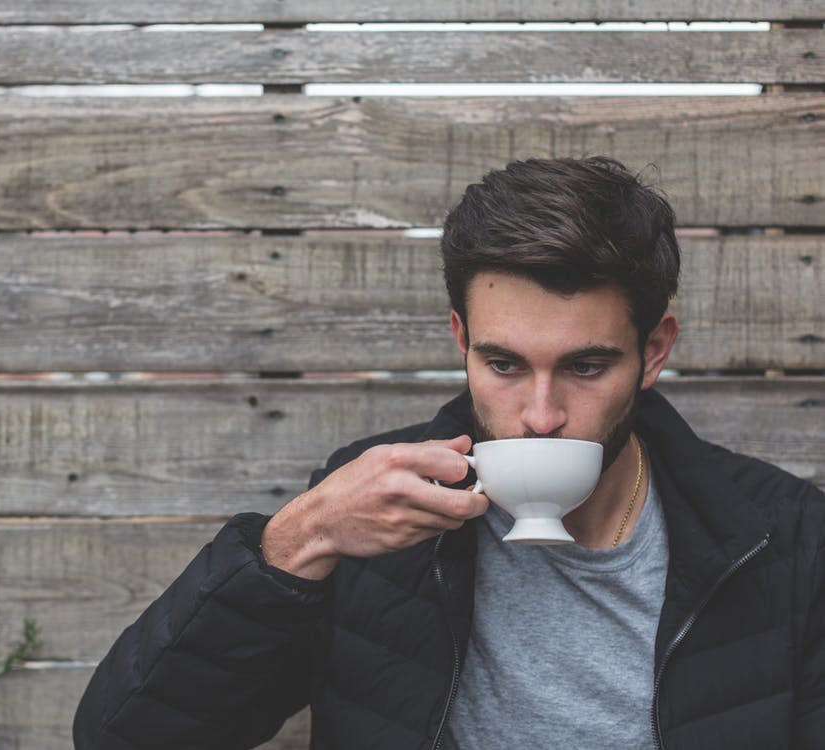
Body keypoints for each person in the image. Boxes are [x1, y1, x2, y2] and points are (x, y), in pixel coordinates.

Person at [73, 157, 825, 749]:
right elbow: (128, 738)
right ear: (460, 343)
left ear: (653, 351)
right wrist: (297, 540)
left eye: (584, 367)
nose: (539, 416)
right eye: (502, 365)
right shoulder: (367, 509)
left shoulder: (782, 538)